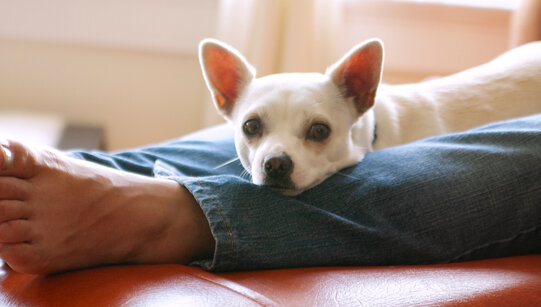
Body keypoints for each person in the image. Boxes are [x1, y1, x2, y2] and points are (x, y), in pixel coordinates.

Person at [0, 3, 540, 275]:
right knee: (268, 149)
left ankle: (169, 216)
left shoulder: (399, 119)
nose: (278, 157)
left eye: (316, 133)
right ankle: (77, 169)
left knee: (358, 170)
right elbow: (278, 134)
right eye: (253, 128)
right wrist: (278, 130)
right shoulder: (322, 113)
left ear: (361, 92)